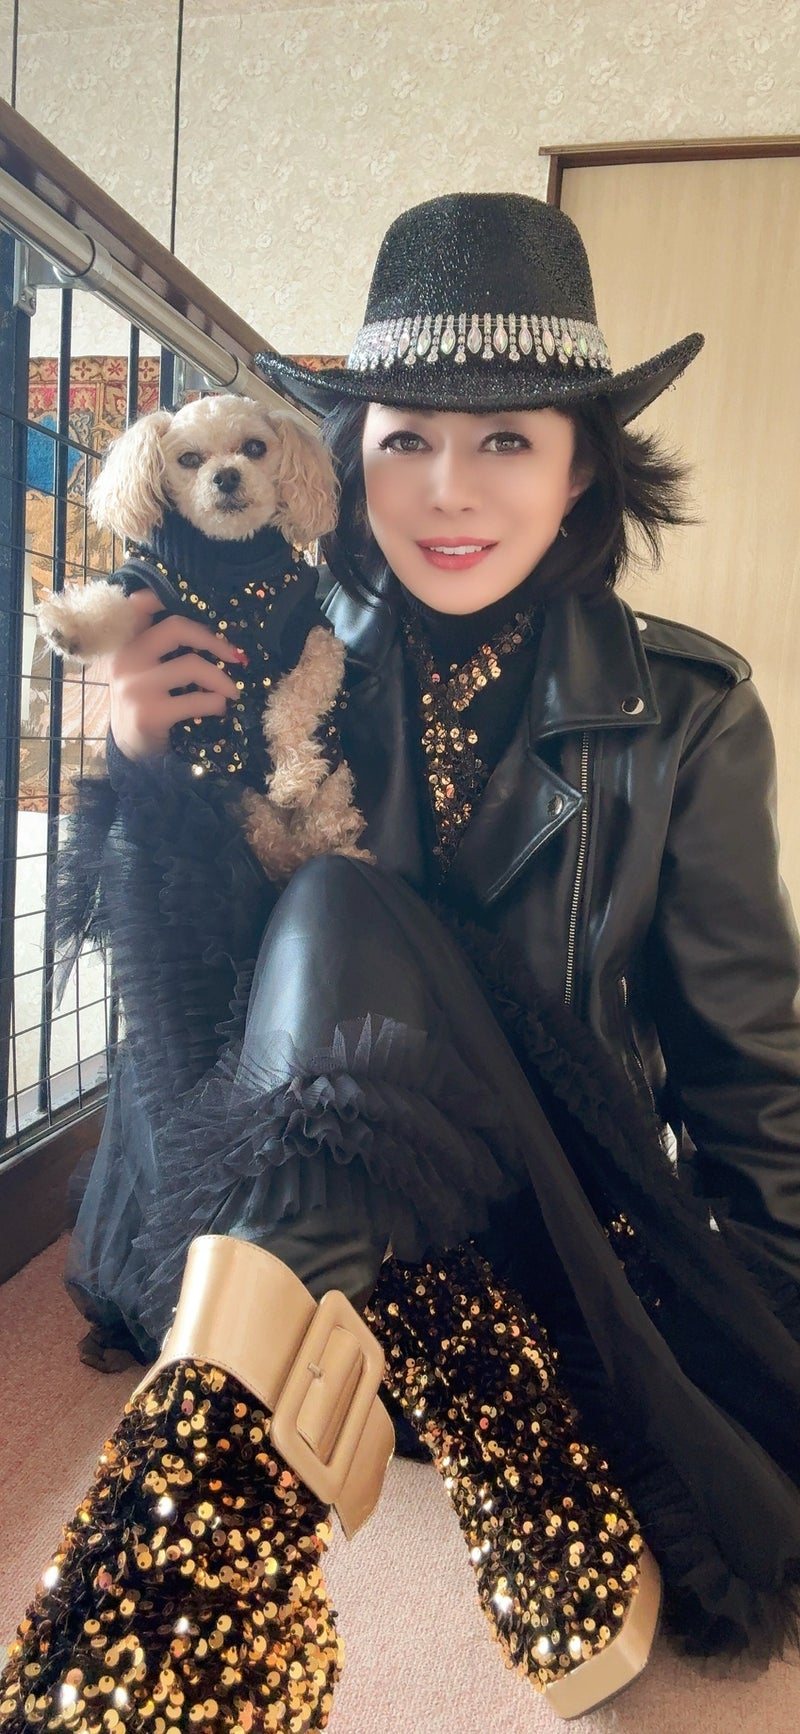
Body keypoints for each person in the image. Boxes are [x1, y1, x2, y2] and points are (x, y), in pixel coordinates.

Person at [4, 193, 800, 1733]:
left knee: (345, 910)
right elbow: (181, 1046)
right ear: (348, 455)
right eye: (406, 438)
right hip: (276, 1214)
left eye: (505, 439)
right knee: (328, 915)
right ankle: (469, 1470)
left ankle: (171, 1595)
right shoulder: (252, 660)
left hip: (536, 1219)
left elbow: (748, 1073)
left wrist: (762, 1356)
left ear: (581, 466)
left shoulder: (689, 710)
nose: (448, 488)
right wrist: (149, 780)